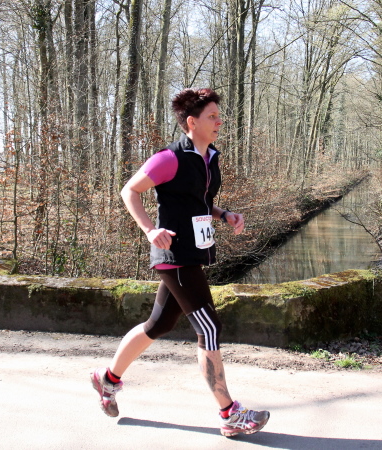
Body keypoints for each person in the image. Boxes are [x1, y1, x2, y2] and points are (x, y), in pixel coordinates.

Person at [90, 88, 270, 437]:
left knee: (158, 325)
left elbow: (196, 201)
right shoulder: (169, 157)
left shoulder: (209, 158)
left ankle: (107, 379)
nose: (219, 121)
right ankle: (229, 413)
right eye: (212, 116)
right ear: (192, 122)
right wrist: (150, 229)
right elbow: (130, 190)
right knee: (209, 328)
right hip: (174, 254)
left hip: (192, 252)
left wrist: (224, 214)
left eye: (219, 115)